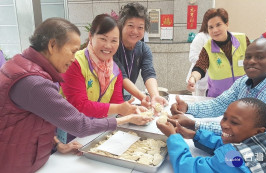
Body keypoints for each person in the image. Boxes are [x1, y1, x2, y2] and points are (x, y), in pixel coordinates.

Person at [0, 18, 152, 173]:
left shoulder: (27, 68)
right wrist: (126, 118)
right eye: (72, 51)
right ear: (52, 45)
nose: (73, 57)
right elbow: (80, 122)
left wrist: (56, 144)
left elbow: (39, 115)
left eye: (114, 41)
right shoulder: (34, 82)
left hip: (37, 157)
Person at [170, 38, 266, 140]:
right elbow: (219, 104)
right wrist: (187, 108)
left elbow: (246, 131)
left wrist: (194, 124)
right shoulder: (243, 82)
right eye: (248, 57)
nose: (251, 61)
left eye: (259, 57)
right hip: (237, 148)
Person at [157, 98, 266, 172]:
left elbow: (188, 167)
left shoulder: (233, 162)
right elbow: (236, 146)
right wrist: (195, 135)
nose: (224, 125)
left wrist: (173, 137)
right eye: (224, 118)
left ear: (258, 131)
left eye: (234, 122)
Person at [60, 14, 143, 118]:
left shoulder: (115, 71)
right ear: (91, 36)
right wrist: (119, 108)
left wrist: (133, 110)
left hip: (95, 129)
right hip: (70, 130)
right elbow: (79, 106)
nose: (108, 46)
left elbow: (116, 104)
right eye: (103, 39)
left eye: (114, 40)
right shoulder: (74, 63)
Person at [113, 2, 167, 108]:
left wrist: (155, 95)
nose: (135, 31)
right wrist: (143, 97)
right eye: (130, 26)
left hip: (126, 99)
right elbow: (121, 76)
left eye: (140, 27)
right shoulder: (113, 46)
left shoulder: (143, 49)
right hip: (109, 100)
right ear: (121, 25)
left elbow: (149, 73)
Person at [187, 8, 250, 98]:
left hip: (243, 95)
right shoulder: (208, 47)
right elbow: (200, 66)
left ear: (227, 24)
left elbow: (255, 61)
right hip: (218, 98)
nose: (215, 30)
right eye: (211, 27)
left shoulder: (243, 39)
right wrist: (193, 78)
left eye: (218, 25)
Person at [186, 10, 210, 96]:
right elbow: (192, 57)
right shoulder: (201, 37)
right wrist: (207, 61)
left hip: (213, 81)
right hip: (199, 79)